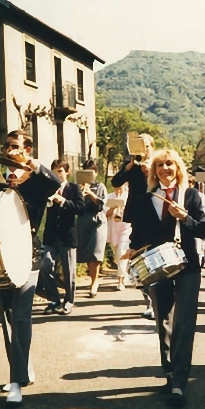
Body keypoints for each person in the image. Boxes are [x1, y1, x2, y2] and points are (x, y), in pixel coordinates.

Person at [0, 130, 61, 406]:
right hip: (0, 256)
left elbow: (55, 181)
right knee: (8, 317)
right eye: (6, 146)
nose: (8, 151)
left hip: (28, 255)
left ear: (27, 149)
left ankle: (16, 381)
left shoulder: (37, 182)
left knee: (22, 316)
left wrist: (31, 163)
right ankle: (23, 368)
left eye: (14, 147)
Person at [124, 149, 205, 408]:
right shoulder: (144, 197)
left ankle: (180, 383)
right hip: (156, 267)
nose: (165, 168)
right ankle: (170, 373)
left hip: (188, 265)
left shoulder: (193, 196)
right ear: (154, 171)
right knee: (164, 323)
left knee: (184, 323)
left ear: (178, 168)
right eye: (160, 165)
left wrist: (185, 218)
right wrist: (132, 249)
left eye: (169, 164)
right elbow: (138, 231)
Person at [112, 132, 155, 319]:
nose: (142, 150)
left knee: (155, 257)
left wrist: (150, 172)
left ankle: (158, 301)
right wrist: (129, 166)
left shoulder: (159, 163)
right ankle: (149, 302)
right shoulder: (131, 165)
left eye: (145, 146)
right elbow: (115, 182)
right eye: (139, 146)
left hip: (156, 214)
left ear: (151, 147)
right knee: (139, 258)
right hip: (138, 216)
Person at [41, 159, 85, 316]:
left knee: (69, 272)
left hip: (67, 236)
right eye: (54, 171)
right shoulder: (48, 188)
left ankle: (69, 301)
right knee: (45, 266)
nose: (57, 174)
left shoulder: (74, 188)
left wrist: (64, 202)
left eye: (60, 171)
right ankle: (54, 300)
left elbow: (81, 209)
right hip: (51, 236)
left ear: (67, 172)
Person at [76, 159, 108, 297]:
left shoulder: (100, 186)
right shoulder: (78, 187)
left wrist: (90, 193)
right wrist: (80, 192)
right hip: (83, 220)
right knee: (84, 251)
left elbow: (101, 204)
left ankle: (94, 283)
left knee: (95, 252)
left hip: (97, 221)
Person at [106, 184, 132, 291]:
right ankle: (125, 271)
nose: (118, 189)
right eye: (116, 187)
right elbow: (106, 214)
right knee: (117, 255)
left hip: (126, 228)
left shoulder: (129, 196)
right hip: (113, 228)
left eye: (120, 187)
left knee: (121, 252)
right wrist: (113, 208)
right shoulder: (109, 197)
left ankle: (120, 281)